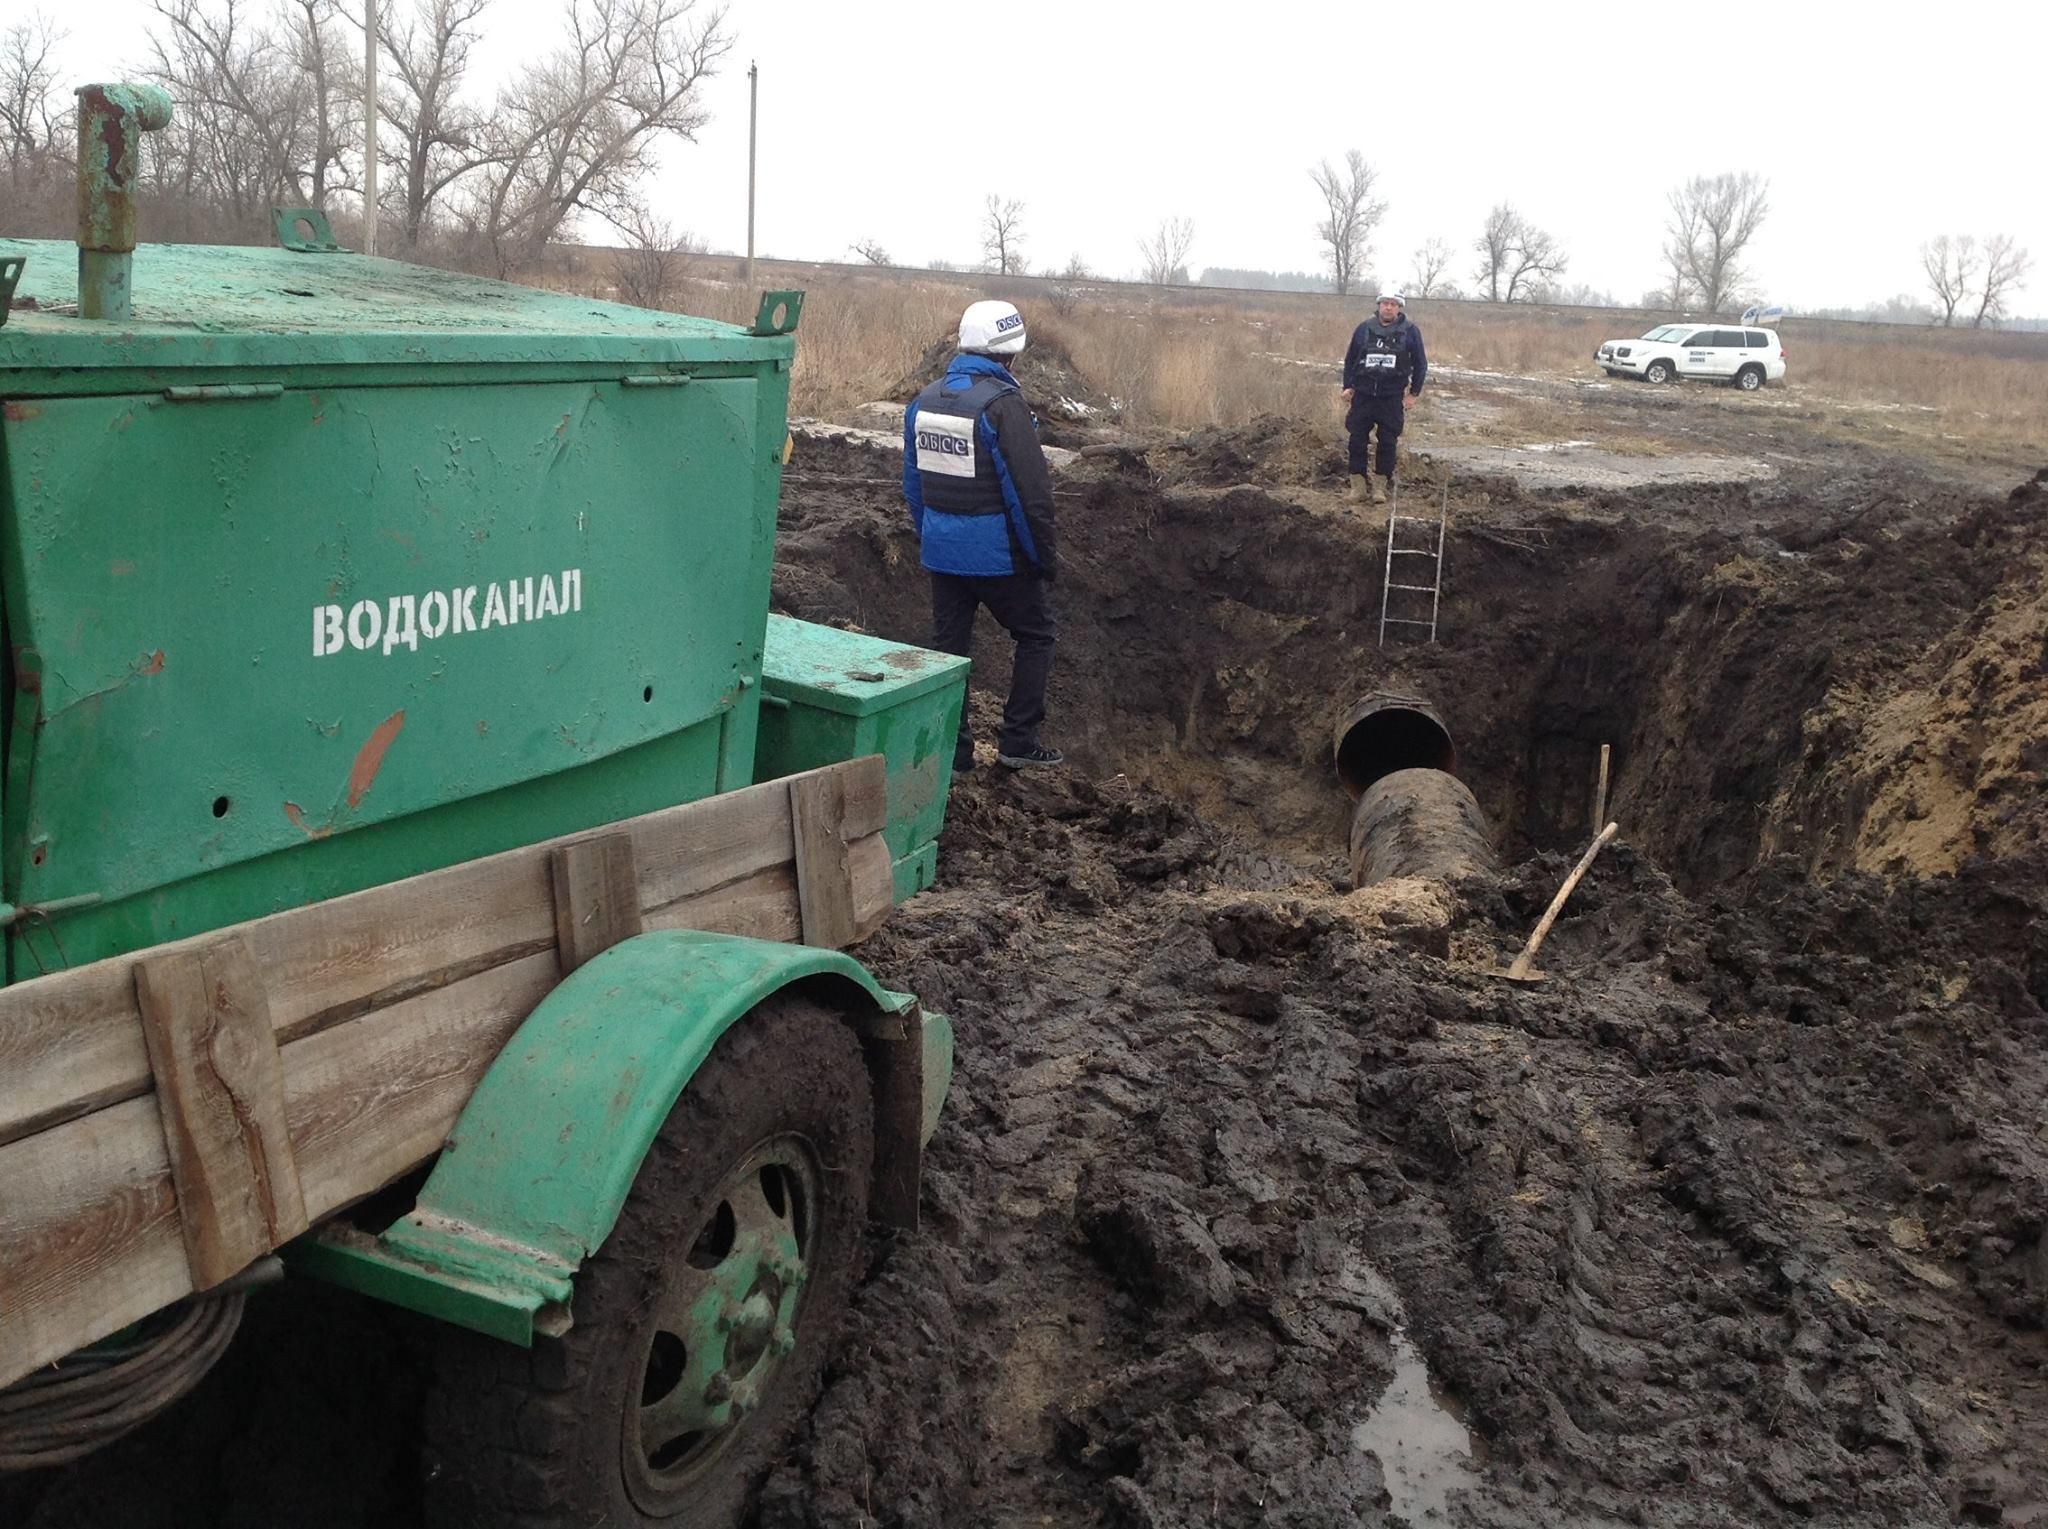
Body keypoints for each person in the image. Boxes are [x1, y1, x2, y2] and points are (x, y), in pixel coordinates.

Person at [903, 299, 1063, 771]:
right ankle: (1018, 740)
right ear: (1010, 355)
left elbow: (913, 486)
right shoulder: (1003, 406)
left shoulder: (923, 400)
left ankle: (955, 754)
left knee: (949, 651)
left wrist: (932, 534)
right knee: (1037, 635)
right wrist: (1043, 558)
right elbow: (1028, 494)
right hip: (997, 556)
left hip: (942, 552)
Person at [1339, 290, 1428, 505]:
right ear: (1379, 305)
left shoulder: (1410, 331)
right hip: (1364, 395)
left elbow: (1420, 364)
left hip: (1391, 397)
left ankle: (1380, 488)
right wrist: (1348, 386)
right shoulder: (1363, 329)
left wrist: (1413, 394)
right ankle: (1358, 488)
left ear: (1399, 308)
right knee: (1356, 440)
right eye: (1385, 303)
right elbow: (1351, 359)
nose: (1388, 307)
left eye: (1393, 304)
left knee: (1388, 442)